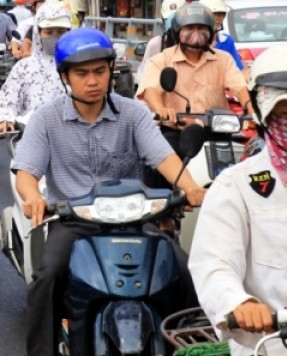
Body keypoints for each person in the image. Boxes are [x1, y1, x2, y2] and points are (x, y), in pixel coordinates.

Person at [12, 28, 206, 356]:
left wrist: (190, 187)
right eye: (82, 73)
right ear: (65, 77)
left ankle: (193, 347)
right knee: (47, 278)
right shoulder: (45, 119)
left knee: (187, 271)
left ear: (111, 71)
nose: (93, 81)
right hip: (74, 221)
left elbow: (162, 156)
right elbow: (27, 172)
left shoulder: (133, 113)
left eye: (100, 71)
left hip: (135, 220)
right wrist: (33, 197)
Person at [189, 44, 287, 355]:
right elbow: (214, 263)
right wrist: (239, 303)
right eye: (284, 113)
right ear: (263, 113)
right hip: (270, 343)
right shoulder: (236, 185)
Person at [137, 2, 252, 187]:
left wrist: (250, 107)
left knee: (243, 168)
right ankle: (163, 204)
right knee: (156, 165)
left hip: (217, 131)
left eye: (201, 28)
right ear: (178, 31)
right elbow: (151, 91)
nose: (196, 34)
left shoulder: (223, 59)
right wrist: (161, 109)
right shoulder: (162, 60)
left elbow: (239, 87)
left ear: (211, 32)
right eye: (190, 28)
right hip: (177, 131)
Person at [0, 0, 71, 132]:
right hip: (31, 133)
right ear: (38, 32)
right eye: (48, 32)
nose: (54, 37)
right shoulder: (24, 67)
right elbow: (8, 98)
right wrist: (5, 119)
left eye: (60, 31)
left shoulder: (77, 65)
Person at [199, 0, 245, 70]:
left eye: (220, 14)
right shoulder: (193, 41)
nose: (218, 18)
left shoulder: (227, 41)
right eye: (214, 14)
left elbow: (238, 68)